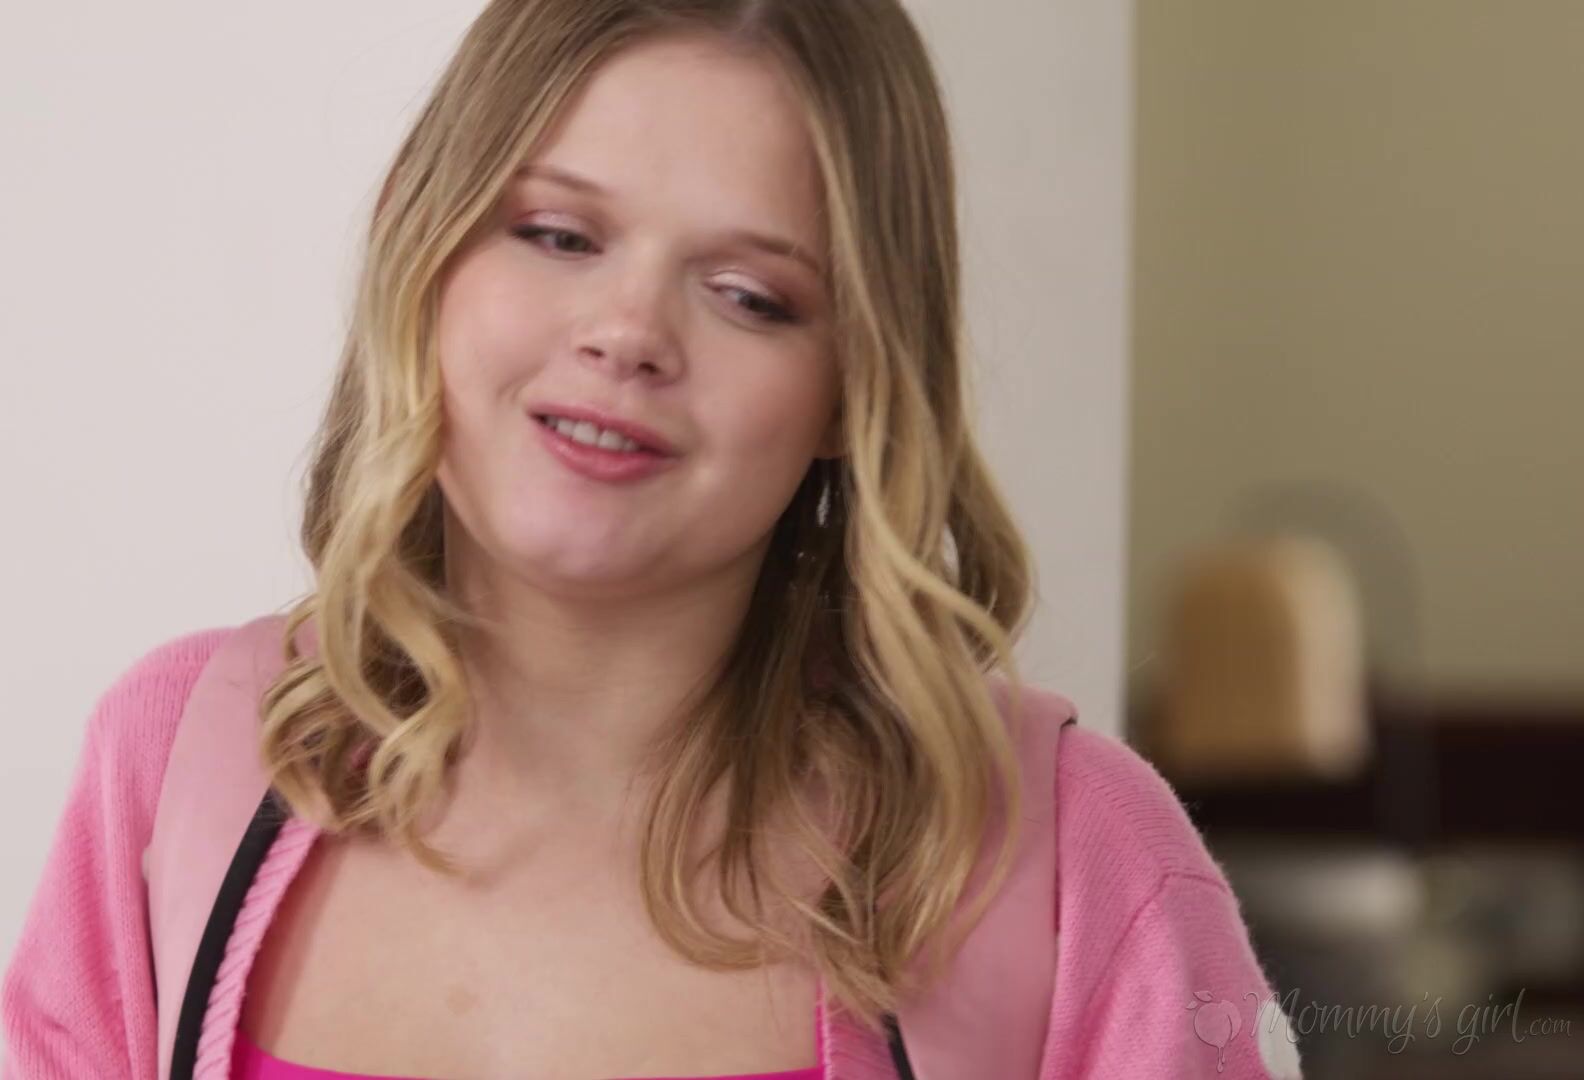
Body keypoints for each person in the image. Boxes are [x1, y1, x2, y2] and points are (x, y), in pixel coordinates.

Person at [1, 1, 1303, 1077]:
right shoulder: (172, 766)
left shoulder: (1076, 863)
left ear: (855, 384)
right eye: (558, 234)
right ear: (418, 240)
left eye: (749, 296)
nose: (628, 332)